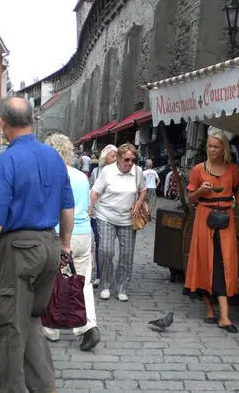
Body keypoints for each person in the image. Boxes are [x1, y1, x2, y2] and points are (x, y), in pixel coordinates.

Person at [0, 96, 75, 393]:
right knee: (31, 320)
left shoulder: (7, 161)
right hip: (49, 246)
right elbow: (67, 208)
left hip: (19, 251)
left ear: (3, 124)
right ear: (32, 121)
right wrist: (64, 245)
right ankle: (44, 386)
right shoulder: (54, 157)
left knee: (10, 324)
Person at [185, 131, 239, 333]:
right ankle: (211, 309)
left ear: (224, 149)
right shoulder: (198, 170)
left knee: (223, 262)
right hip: (204, 218)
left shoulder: (232, 170)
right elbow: (190, 199)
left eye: (216, 147)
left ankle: (224, 316)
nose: (212, 150)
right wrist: (200, 192)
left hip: (226, 218)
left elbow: (238, 197)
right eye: (210, 146)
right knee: (206, 261)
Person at [42, 134, 101, 351]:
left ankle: (51, 327)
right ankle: (87, 326)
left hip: (59, 233)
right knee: (82, 281)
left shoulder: (49, 176)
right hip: (83, 233)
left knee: (51, 280)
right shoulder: (81, 177)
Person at [89, 143, 146, 302]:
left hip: (127, 219)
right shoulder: (108, 171)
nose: (130, 163)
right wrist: (89, 211)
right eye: (127, 159)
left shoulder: (138, 172)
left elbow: (143, 190)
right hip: (106, 216)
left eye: (133, 160)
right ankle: (105, 285)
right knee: (106, 251)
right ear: (119, 158)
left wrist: (139, 203)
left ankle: (121, 287)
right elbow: (95, 192)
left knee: (127, 254)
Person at [89, 144, 118, 287]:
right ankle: (100, 275)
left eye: (116, 156)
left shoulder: (121, 171)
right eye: (112, 156)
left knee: (108, 247)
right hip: (97, 214)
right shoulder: (96, 172)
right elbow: (91, 191)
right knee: (101, 245)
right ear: (104, 157)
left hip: (115, 213)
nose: (115, 159)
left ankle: (107, 272)